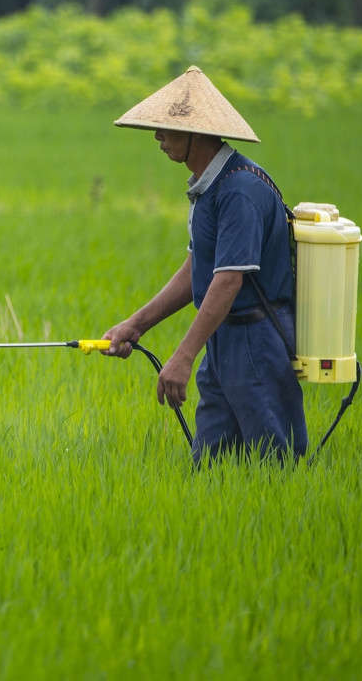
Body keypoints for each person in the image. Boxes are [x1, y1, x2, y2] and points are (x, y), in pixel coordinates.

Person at [101, 66, 307, 464]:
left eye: (166, 128)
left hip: (256, 340)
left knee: (275, 467)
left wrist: (181, 356)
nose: (158, 138)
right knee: (211, 465)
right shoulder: (210, 186)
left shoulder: (238, 192)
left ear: (199, 133)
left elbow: (228, 282)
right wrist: (136, 324)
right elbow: (199, 269)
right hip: (224, 338)